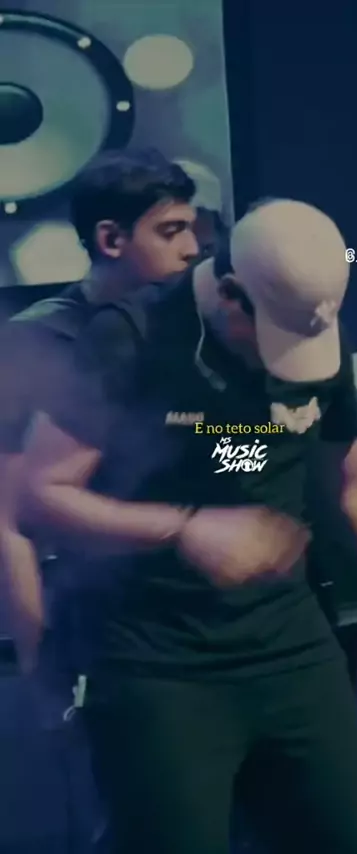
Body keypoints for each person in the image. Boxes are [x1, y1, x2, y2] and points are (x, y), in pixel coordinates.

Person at [21, 199, 357, 854]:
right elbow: (39, 495)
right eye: (270, 339)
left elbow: (352, 489)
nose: (278, 364)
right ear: (231, 292)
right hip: (158, 663)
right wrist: (184, 528)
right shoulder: (130, 339)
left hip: (290, 647)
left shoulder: (312, 325)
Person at [0, 147, 198, 673]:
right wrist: (39, 670)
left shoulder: (191, 328)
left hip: (195, 619)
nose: (192, 249)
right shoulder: (35, 341)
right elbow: (11, 524)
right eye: (172, 231)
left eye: (192, 229)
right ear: (111, 239)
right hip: (96, 623)